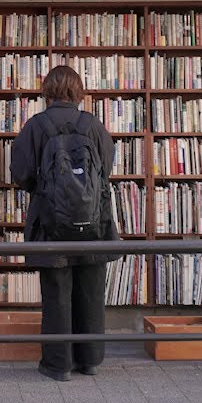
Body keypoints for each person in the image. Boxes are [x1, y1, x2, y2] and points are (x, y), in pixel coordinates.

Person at [10, 65, 118, 382]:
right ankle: (90, 360)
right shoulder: (93, 125)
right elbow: (106, 170)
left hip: (50, 224)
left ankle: (58, 365)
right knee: (90, 291)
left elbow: (21, 174)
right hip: (94, 224)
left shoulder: (36, 126)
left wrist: (49, 193)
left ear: (48, 91)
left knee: (56, 295)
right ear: (78, 90)